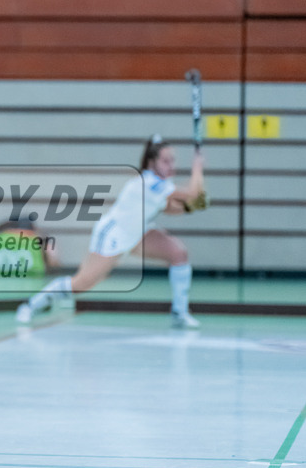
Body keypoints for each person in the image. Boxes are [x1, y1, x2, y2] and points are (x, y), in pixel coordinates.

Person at [16, 134, 206, 328]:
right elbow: (192, 193)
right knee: (82, 284)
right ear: (151, 162)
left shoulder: (160, 185)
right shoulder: (149, 182)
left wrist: (192, 206)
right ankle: (31, 305)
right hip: (113, 234)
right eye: (165, 161)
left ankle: (179, 313)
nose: (171, 165)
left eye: (172, 160)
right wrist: (198, 168)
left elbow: (171, 208)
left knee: (178, 253)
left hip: (139, 233)